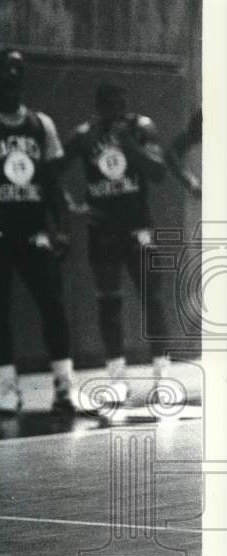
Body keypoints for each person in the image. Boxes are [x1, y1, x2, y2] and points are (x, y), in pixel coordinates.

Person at [56, 83, 185, 403]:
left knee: (151, 298)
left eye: (122, 106)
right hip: (103, 228)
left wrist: (128, 145)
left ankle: (162, 374)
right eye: (111, 107)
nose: (118, 113)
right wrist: (70, 205)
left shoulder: (141, 128)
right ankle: (117, 377)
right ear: (99, 108)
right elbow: (51, 170)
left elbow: (157, 172)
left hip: (137, 226)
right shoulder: (85, 134)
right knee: (109, 303)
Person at [0, 50, 75, 414]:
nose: (12, 74)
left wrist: (61, 227)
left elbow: (53, 182)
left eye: (18, 69)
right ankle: (8, 388)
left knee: (53, 307)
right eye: (5, 69)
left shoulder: (41, 123)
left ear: (23, 75)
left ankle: (63, 387)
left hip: (34, 232)